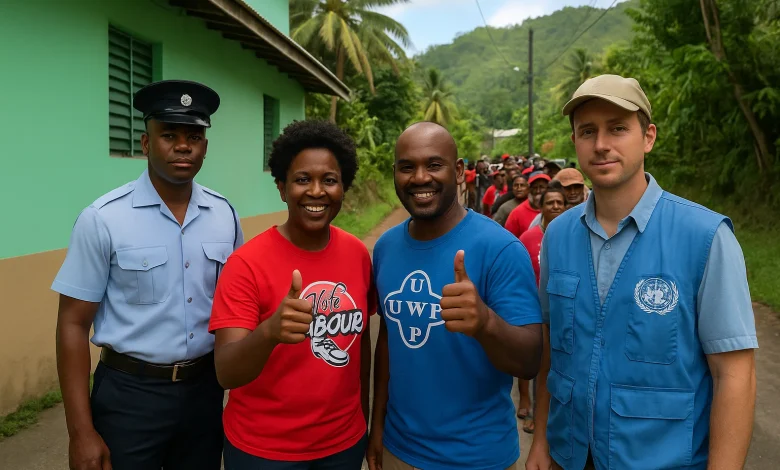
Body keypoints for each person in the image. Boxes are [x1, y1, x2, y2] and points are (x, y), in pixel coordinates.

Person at [526, 74, 758, 470]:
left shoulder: (704, 237)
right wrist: (542, 440)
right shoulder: (557, 236)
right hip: (571, 457)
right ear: (575, 144)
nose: (602, 144)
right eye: (588, 131)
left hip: (662, 460)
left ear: (648, 136)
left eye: (618, 128)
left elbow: (734, 373)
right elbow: (553, 350)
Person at [53, 80, 243, 470]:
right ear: (145, 143)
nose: (183, 145)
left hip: (205, 392)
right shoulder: (104, 219)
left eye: (194, 136)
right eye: (168, 135)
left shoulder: (225, 215)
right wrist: (80, 432)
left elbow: (239, 308)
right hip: (128, 395)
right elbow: (72, 324)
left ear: (204, 146)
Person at [367, 122, 543, 470]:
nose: (420, 178)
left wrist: (485, 323)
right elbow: (388, 339)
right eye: (407, 167)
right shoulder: (386, 247)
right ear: (395, 174)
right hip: (398, 450)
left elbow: (530, 361)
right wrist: (377, 425)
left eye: (434, 165)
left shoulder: (500, 248)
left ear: (459, 171)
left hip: (478, 457)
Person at [208, 120, 374, 469]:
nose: (316, 191)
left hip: (344, 445)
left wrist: (366, 418)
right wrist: (269, 332)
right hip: (264, 451)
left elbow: (360, 343)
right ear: (282, 188)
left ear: (343, 187)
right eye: (302, 180)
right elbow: (226, 372)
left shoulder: (358, 254)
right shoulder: (245, 264)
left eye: (329, 180)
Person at [516, 187, 566, 435]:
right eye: (550, 202)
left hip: (564, 312)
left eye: (560, 202)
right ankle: (530, 406)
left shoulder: (572, 237)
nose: (555, 206)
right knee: (534, 362)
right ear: (541, 208)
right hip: (534, 310)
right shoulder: (528, 238)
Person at [505, 172, 550, 237]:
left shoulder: (556, 209)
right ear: (529, 189)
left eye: (542, 187)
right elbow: (509, 239)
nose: (538, 191)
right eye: (535, 187)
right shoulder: (517, 213)